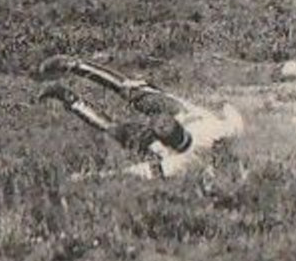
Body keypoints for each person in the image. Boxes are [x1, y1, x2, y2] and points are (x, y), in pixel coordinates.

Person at [37, 57, 245, 180]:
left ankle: (70, 98)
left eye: (161, 127)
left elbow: (134, 172)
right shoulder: (218, 131)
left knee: (114, 128)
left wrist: (91, 178)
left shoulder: (181, 163)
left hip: (175, 123)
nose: (160, 122)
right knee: (132, 90)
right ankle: (73, 65)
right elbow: (232, 115)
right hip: (179, 110)